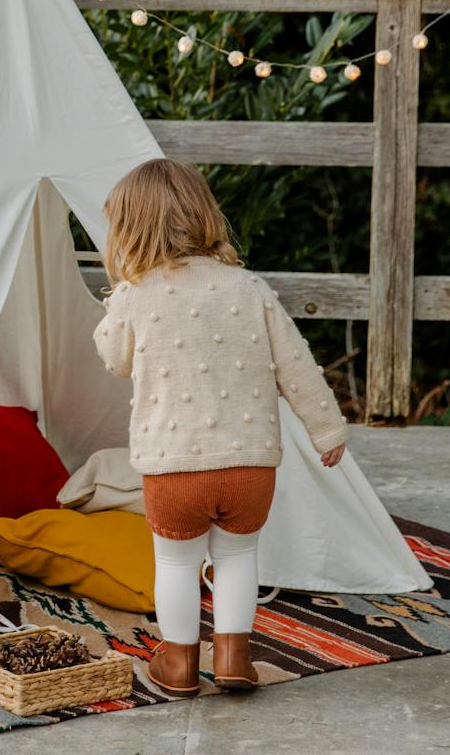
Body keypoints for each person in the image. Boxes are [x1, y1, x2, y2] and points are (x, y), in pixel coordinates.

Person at [92, 158, 349, 697]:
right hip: (250, 466)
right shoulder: (247, 287)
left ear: (129, 230)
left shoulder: (135, 294)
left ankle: (180, 665)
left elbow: (115, 358)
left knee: (176, 564)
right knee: (236, 557)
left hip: (174, 467)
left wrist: (114, 305)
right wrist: (327, 432)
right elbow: (297, 367)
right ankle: (234, 659)